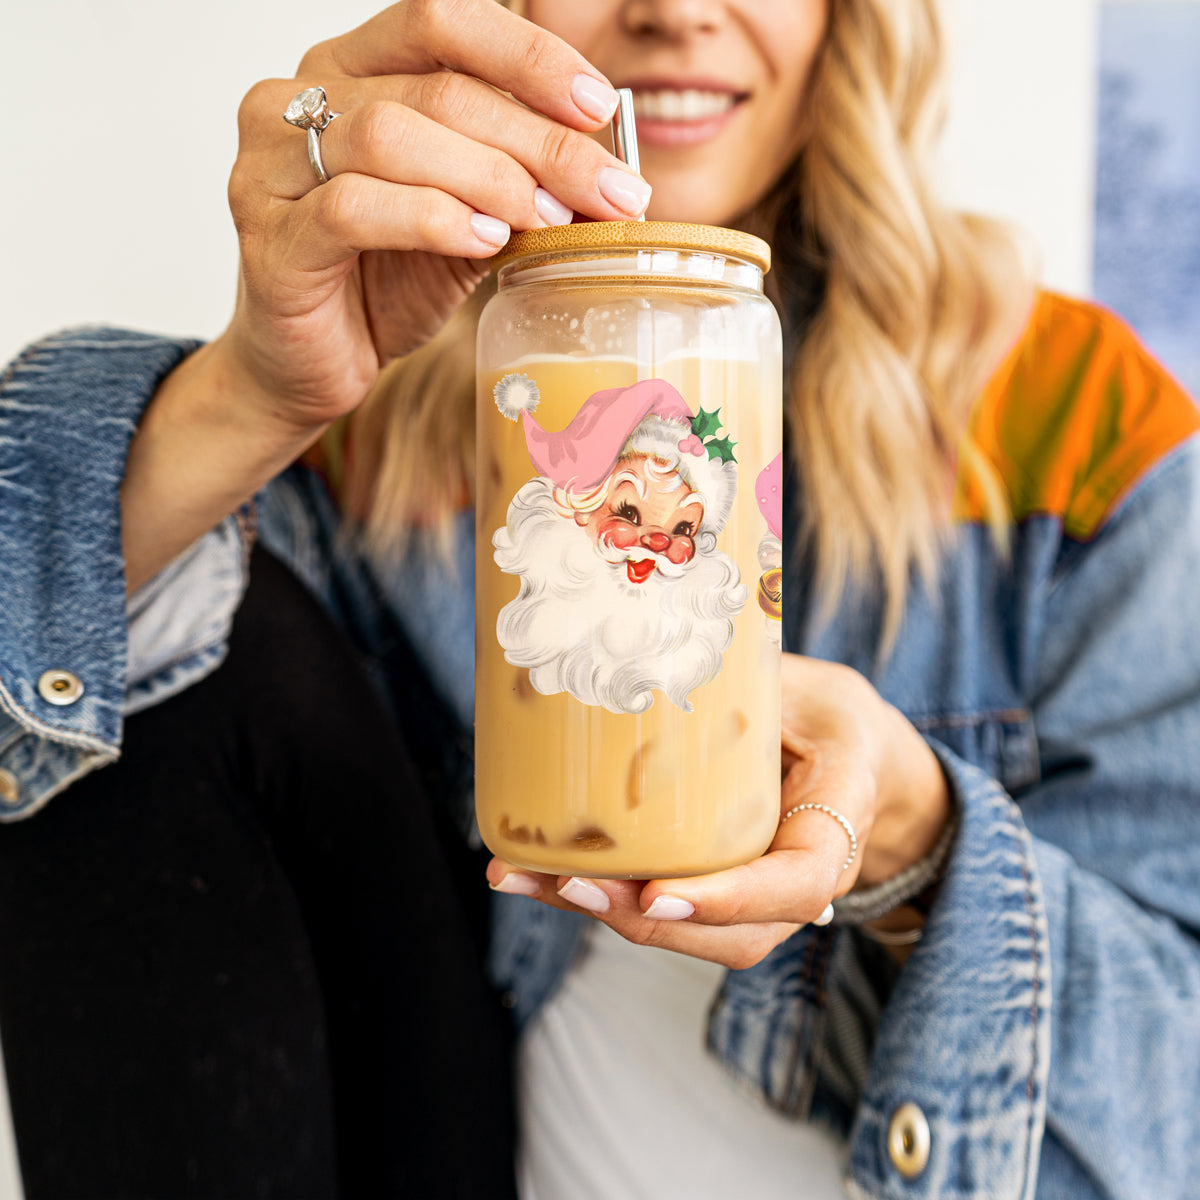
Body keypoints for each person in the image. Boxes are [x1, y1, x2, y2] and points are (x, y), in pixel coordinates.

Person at [3, 0, 1199, 1197]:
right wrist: (251, 393)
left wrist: (914, 836)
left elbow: (1179, 1086)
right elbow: (85, 725)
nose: (672, 12)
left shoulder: (1082, 433)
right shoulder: (374, 433)